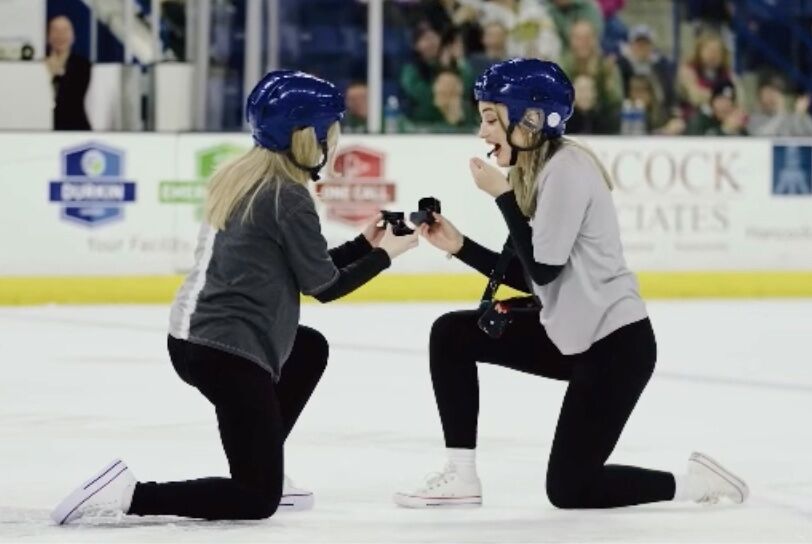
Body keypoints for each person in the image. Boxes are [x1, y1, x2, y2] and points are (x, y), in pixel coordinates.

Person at [50, 70, 418, 524]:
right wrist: (385, 257)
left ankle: (267, 461)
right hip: (226, 350)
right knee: (255, 500)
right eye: (330, 130)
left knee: (307, 349)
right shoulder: (287, 196)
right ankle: (127, 496)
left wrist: (365, 244)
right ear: (308, 137)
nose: (335, 139)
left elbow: (310, 266)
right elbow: (324, 287)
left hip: (199, 339)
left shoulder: (247, 175)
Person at [393, 58, 749, 509]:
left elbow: (543, 270)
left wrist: (502, 196)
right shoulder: (541, 168)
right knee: (451, 335)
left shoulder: (566, 170)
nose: (482, 132)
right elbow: (536, 273)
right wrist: (459, 244)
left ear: (530, 118)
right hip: (572, 334)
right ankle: (461, 475)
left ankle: (694, 485)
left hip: (614, 347)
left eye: (489, 118)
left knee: (570, 489)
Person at [46, 15, 91, 131]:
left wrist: (56, 74)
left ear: (72, 36)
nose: (60, 35)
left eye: (65, 31)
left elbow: (72, 100)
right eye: (55, 30)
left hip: (75, 128)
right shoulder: (39, 66)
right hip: (44, 127)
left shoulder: (83, 66)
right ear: (48, 36)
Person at [747, 74, 812, 137]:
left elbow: (804, 133)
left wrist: (799, 114)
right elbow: (760, 135)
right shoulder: (752, 116)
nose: (773, 96)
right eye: (769, 91)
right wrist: (780, 113)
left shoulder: (789, 116)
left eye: (777, 92)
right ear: (760, 93)